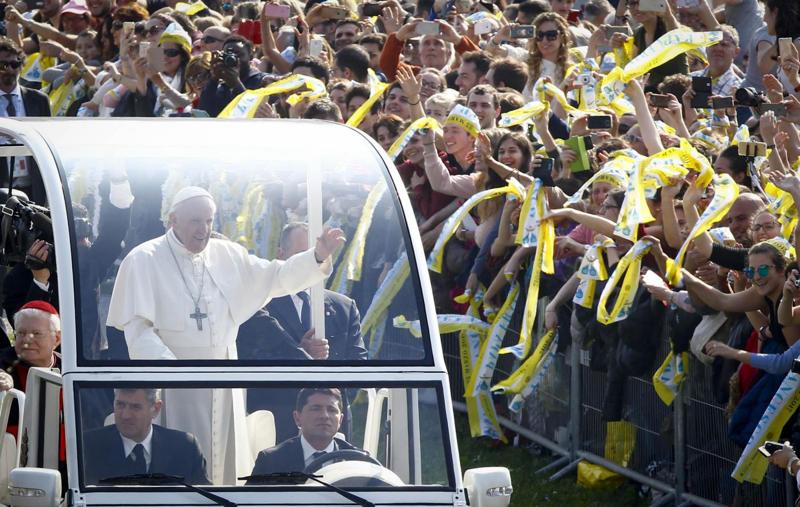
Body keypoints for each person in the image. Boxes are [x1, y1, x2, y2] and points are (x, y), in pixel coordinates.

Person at [106, 186, 345, 483]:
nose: (204, 230)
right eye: (195, 221)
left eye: (209, 221)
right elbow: (138, 331)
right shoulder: (143, 259)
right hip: (175, 386)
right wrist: (174, 372)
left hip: (225, 382)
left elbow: (276, 276)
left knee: (225, 467)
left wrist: (317, 256)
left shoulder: (227, 255)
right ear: (173, 220)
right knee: (178, 468)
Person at [238, 222, 367, 442]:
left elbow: (358, 367)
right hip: (277, 428)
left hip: (330, 431)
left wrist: (327, 404)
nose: (312, 262)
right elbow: (249, 362)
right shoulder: (259, 304)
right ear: (281, 255)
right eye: (303, 255)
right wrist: (299, 354)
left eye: (318, 255)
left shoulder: (344, 307)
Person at [82, 388, 209, 485]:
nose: (125, 415)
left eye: (135, 407)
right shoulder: (87, 447)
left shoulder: (185, 448)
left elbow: (206, 501)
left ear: (156, 409)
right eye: (120, 405)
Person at [247, 388, 365, 482]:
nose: (325, 416)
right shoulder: (271, 461)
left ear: (341, 420)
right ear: (297, 418)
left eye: (332, 410)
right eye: (316, 409)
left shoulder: (357, 462)